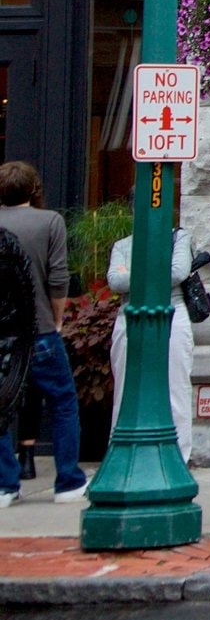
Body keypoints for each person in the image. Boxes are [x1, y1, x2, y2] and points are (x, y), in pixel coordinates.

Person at [0, 163, 83, 505]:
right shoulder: (50, 221)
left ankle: (5, 485)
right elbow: (58, 277)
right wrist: (57, 318)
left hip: (3, 333)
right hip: (41, 330)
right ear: (33, 189)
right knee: (63, 402)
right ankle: (68, 482)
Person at [109, 226, 199, 462]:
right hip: (129, 314)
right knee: (124, 389)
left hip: (173, 312)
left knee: (176, 387)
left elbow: (178, 272)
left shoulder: (178, 238)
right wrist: (158, 272)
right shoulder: (122, 245)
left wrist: (133, 274)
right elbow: (115, 281)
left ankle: (179, 457)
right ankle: (119, 454)